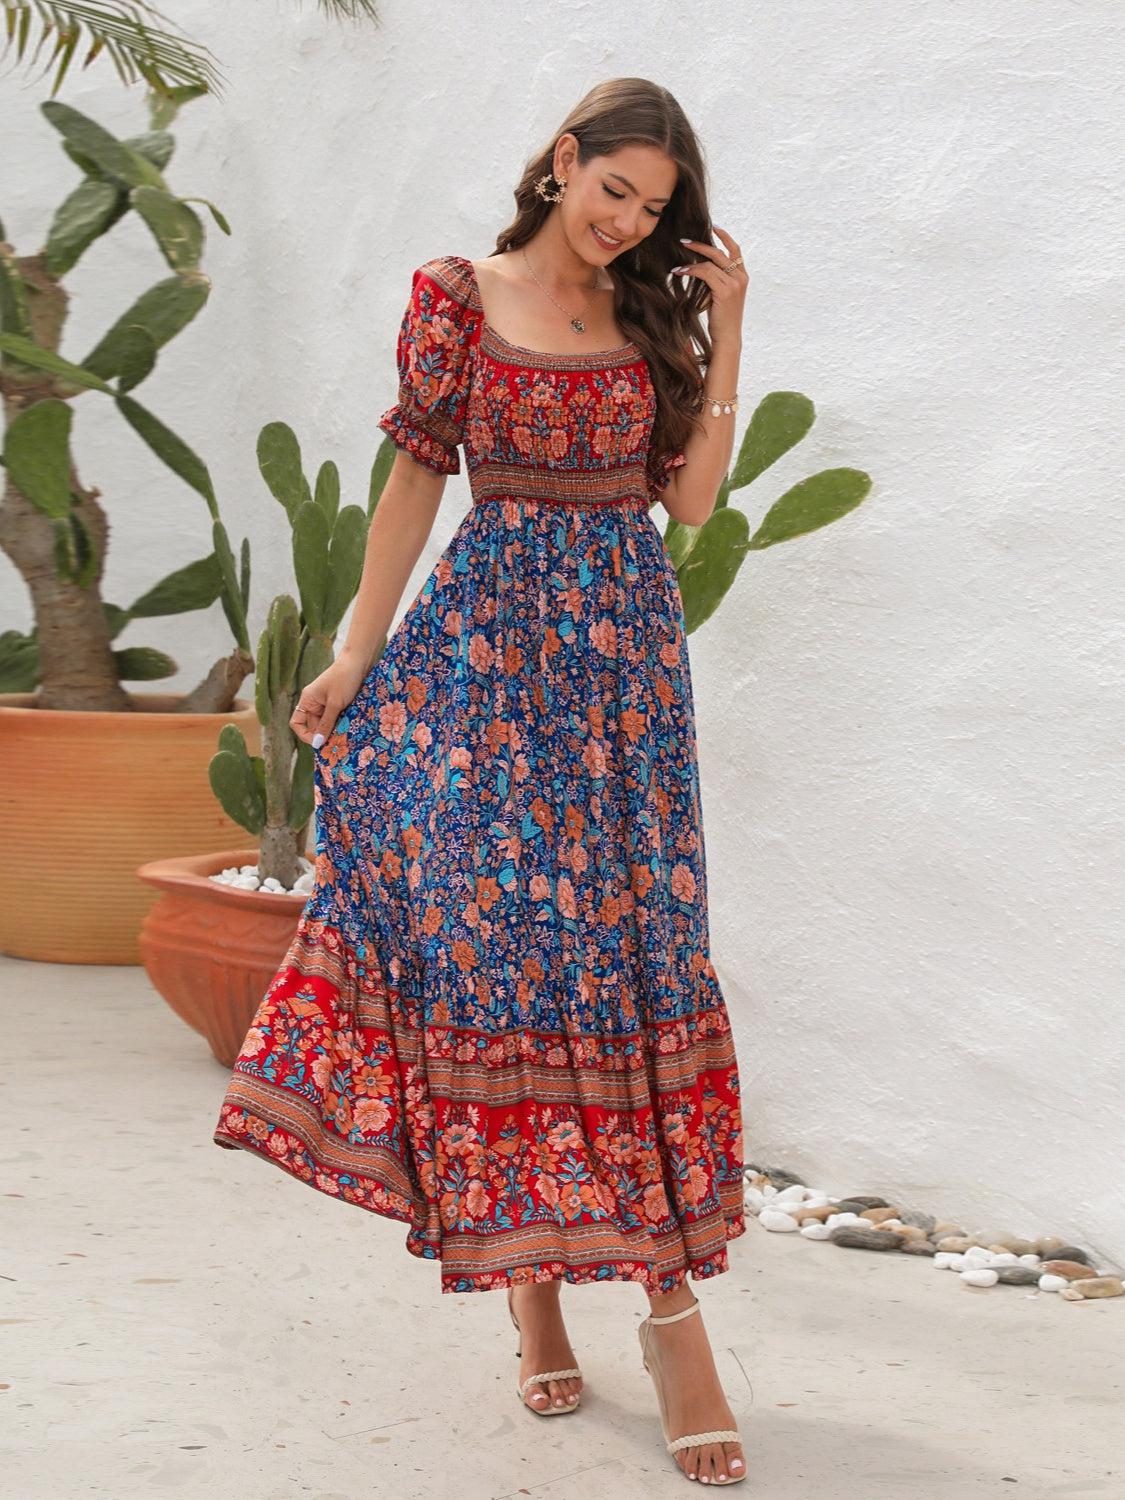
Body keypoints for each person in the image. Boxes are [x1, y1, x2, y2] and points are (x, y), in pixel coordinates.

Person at [213, 77, 750, 1487]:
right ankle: (529, 1282)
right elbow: (409, 486)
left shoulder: (649, 311)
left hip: (621, 675)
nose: (628, 221)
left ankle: (670, 1309)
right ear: (563, 161)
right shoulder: (458, 297)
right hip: (485, 653)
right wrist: (352, 654)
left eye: (652, 206)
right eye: (613, 189)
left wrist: (729, 324)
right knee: (499, 953)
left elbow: (686, 505)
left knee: (625, 960)